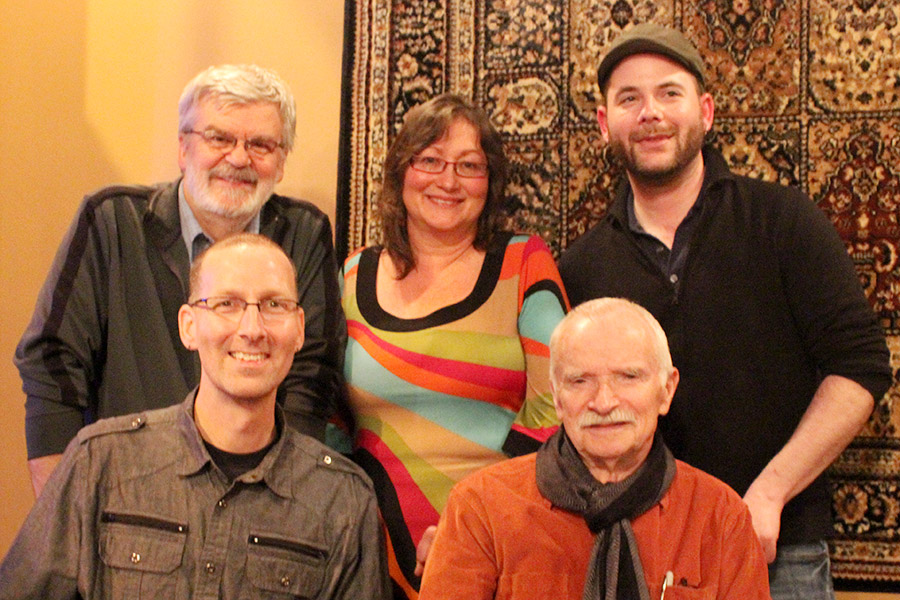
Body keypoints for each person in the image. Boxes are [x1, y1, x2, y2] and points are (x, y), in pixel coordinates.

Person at [558, 23, 892, 599]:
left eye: (669, 93)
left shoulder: (783, 220)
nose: (649, 113)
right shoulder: (581, 264)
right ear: (604, 122)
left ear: (705, 112)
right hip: (638, 549)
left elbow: (860, 367)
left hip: (778, 543)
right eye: (629, 99)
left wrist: (770, 493)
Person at [15, 64, 346, 497]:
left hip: (259, 496)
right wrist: (63, 510)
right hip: (124, 495)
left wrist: (282, 498)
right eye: (219, 138)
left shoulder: (304, 233)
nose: (239, 158)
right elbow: (52, 364)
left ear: (281, 162)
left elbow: (313, 371)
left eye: (261, 144)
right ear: (182, 148)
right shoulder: (110, 222)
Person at [0, 234, 387, 600]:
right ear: (188, 326)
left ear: (299, 330)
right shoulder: (100, 463)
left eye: (274, 305)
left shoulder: (344, 500)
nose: (252, 329)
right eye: (226, 304)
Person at [340, 93, 568, 597]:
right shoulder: (354, 274)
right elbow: (332, 419)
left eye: (470, 166)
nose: (448, 181)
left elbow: (558, 408)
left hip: (504, 545)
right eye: (430, 161)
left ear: (490, 183)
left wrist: (474, 526)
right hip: (368, 554)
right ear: (401, 173)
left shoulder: (524, 263)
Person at [418, 298, 770, 599]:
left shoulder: (721, 517)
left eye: (628, 377)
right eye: (579, 381)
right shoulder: (480, 507)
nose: (603, 402)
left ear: (666, 390)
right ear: (556, 398)